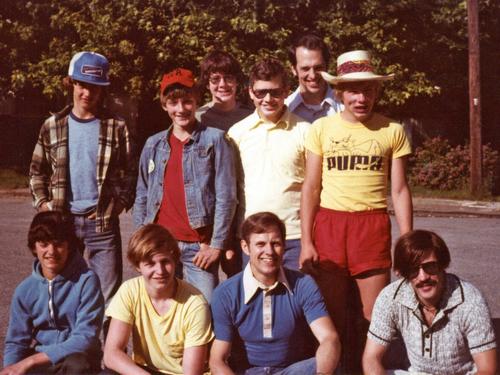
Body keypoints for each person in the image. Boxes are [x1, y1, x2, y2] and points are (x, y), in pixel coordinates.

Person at [300, 50, 413, 368]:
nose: (360, 97)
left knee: (371, 318)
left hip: (371, 224)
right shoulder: (321, 129)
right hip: (331, 225)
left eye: (367, 89)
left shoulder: (392, 130)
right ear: (339, 92)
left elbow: (400, 189)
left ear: (377, 91)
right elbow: (310, 187)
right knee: (332, 317)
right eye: (352, 90)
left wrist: (406, 240)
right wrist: (308, 241)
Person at [29, 51, 137, 306]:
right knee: (62, 290)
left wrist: (119, 204)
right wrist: (44, 205)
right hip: (62, 222)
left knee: (108, 296)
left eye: (94, 87)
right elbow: (36, 170)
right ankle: (67, 345)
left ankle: (105, 346)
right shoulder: (53, 125)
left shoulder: (116, 126)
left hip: (101, 223)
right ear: (72, 84)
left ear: (103, 91)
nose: (87, 93)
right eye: (82, 85)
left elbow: (131, 172)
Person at [133, 68, 237, 302]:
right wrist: (141, 241)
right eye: (173, 103)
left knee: (203, 310)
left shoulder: (215, 140)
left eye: (187, 101)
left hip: (198, 249)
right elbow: (142, 194)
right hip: (159, 246)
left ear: (196, 101)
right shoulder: (153, 144)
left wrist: (216, 245)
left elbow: (226, 196)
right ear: (164, 105)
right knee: (162, 310)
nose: (181, 109)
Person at [209, 212, 341, 375]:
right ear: (245, 247)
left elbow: (329, 338)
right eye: (260, 244)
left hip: (292, 370)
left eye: (276, 243)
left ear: (284, 245)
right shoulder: (226, 293)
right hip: (248, 372)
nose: (269, 251)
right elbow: (217, 359)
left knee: (330, 363)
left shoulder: (302, 284)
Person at [363, 230, 497, 375]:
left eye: (430, 266)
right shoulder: (390, 297)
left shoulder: (471, 300)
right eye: (413, 270)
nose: (423, 277)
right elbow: (371, 358)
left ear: (442, 265)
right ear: (402, 272)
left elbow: (487, 369)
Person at [228, 58, 309, 271]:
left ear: (286, 91)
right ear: (250, 92)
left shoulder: (306, 131)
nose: (268, 99)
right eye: (261, 92)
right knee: (254, 302)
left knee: (293, 302)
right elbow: (229, 190)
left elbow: (316, 187)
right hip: (251, 237)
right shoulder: (237, 133)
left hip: (294, 236)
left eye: (275, 92)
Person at [102, 224, 213, 375]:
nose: (160, 271)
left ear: (175, 261)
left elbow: (191, 373)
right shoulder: (129, 290)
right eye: (150, 264)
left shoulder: (195, 303)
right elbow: (111, 354)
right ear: (137, 266)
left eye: (165, 262)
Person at [2, 211, 104, 375]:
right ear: (34, 247)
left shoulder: (87, 281)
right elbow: (16, 342)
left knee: (77, 364)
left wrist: (31, 361)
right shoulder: (25, 290)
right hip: (43, 362)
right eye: (44, 244)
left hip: (78, 360)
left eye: (58, 244)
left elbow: (85, 338)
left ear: (69, 246)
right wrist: (11, 368)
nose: (51, 251)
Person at [285, 34, 343, 123]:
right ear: (294, 70)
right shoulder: (285, 109)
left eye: (318, 68)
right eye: (305, 69)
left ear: (327, 67)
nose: (313, 75)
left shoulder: (345, 106)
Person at [196, 50, 253, 132]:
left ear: (236, 81)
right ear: (207, 84)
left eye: (228, 78)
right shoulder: (198, 118)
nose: (222, 84)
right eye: (215, 79)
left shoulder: (250, 116)